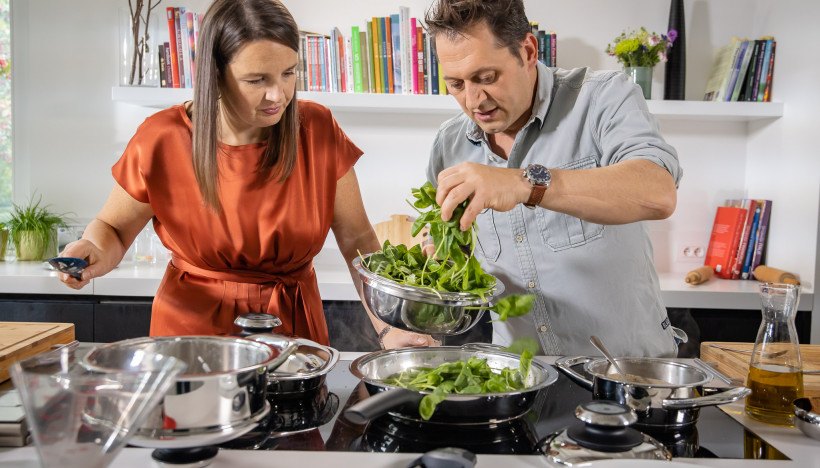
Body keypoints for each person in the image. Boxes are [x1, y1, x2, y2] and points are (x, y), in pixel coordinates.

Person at [58, 0, 434, 349]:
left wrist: (389, 326)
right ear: (216, 75)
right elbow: (112, 227)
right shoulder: (162, 138)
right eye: (257, 80)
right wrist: (94, 249)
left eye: (288, 73)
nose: (278, 95)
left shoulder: (316, 128)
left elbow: (357, 238)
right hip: (192, 339)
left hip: (294, 334)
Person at [424, 0, 683, 357]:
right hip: (520, 381)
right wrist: (438, 254)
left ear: (527, 51)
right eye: (456, 84)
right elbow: (453, 254)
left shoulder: (602, 97)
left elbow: (658, 191)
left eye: (486, 78)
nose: (473, 100)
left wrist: (524, 183)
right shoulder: (449, 144)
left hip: (627, 376)